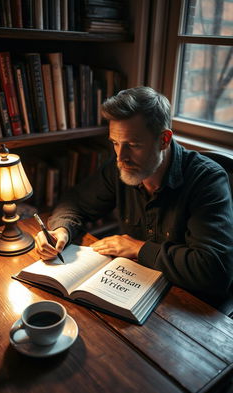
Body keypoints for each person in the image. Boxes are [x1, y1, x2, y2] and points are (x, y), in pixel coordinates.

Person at [35, 86, 233, 314]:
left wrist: (138, 249)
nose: (121, 157)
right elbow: (75, 202)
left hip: (189, 309)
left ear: (164, 140)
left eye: (133, 145)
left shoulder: (207, 180)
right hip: (134, 291)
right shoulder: (119, 168)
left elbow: (214, 271)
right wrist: (62, 230)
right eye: (115, 143)